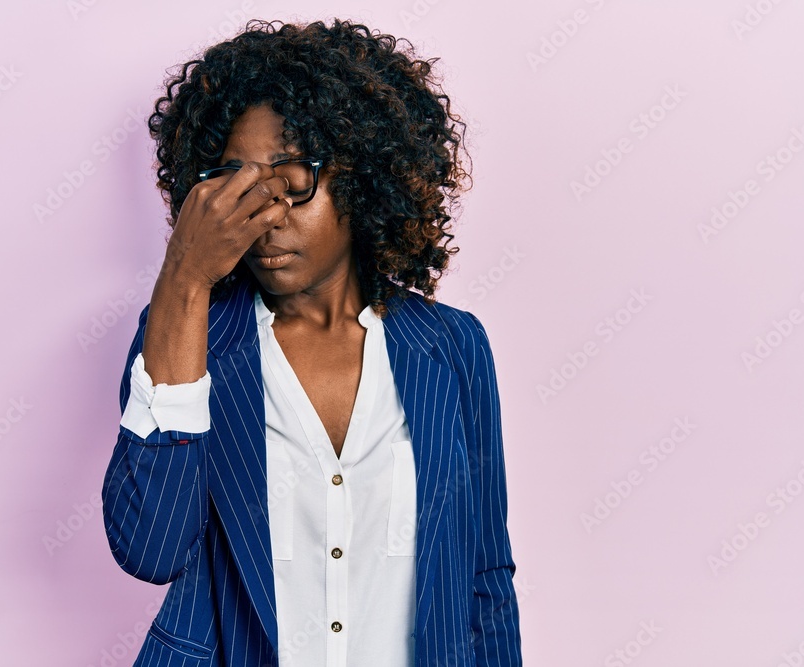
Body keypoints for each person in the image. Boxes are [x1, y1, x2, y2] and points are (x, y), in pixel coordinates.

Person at [101, 17, 522, 667]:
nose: (266, 215)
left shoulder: (454, 347)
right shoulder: (186, 336)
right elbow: (151, 547)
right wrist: (184, 279)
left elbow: (485, 578)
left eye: (292, 178)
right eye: (238, 185)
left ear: (361, 178)